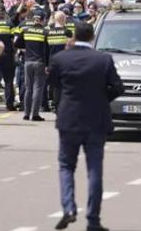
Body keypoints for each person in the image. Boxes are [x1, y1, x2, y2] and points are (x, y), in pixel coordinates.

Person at [47, 22, 124, 231]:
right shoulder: (103, 59)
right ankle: (93, 220)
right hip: (96, 119)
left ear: (73, 36)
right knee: (94, 170)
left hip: (69, 118)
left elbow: (52, 82)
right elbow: (118, 87)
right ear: (92, 37)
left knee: (65, 166)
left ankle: (69, 208)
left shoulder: (61, 58)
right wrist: (101, 98)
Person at [15, 10, 49, 122]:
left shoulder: (26, 30)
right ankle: (35, 114)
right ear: (43, 20)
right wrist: (48, 65)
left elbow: (17, 43)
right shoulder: (45, 32)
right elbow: (47, 50)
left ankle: (26, 114)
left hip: (27, 61)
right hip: (40, 62)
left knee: (28, 88)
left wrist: (26, 49)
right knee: (38, 88)